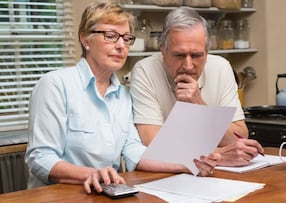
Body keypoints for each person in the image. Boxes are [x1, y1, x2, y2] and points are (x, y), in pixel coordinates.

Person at [25, 1, 219, 195]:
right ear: (85, 39)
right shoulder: (55, 85)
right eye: (111, 36)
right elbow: (40, 158)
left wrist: (186, 164)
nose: (120, 46)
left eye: (126, 39)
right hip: (58, 196)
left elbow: (134, 151)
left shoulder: (124, 95)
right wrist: (91, 174)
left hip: (106, 195)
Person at [130, 7, 264, 167]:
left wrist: (198, 104)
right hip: (166, 177)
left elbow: (239, 138)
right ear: (162, 50)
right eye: (179, 55)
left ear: (207, 52)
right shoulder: (145, 71)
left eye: (197, 55)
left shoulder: (221, 67)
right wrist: (217, 155)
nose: (188, 65)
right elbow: (151, 144)